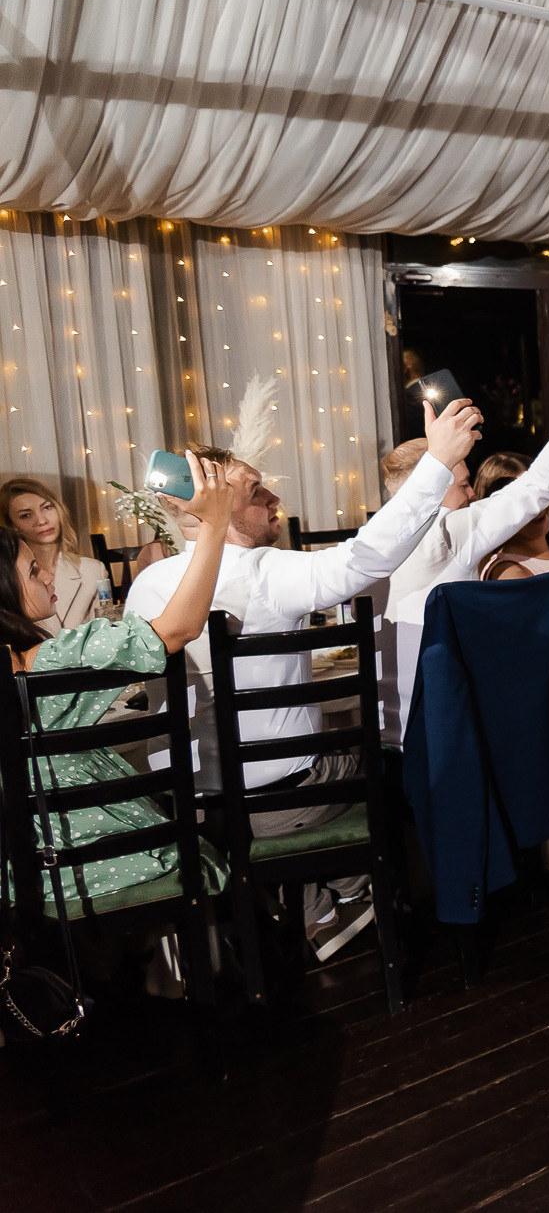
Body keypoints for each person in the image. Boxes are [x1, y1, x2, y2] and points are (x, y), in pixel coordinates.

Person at [124, 398, 484, 946]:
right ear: (212, 510)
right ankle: (365, 889)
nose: (274, 500)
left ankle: (319, 908)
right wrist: (435, 463)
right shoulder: (266, 571)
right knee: (396, 758)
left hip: (192, 803)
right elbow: (367, 557)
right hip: (282, 799)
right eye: (256, 492)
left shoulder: (145, 585)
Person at [375, 350, 549, 746]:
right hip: (444, 737)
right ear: (431, 487)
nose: (472, 495)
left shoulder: (373, 540)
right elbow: (541, 483)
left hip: (390, 734)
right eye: (463, 484)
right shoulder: (445, 533)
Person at [2, 454, 232, 907]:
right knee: (206, 846)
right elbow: (179, 628)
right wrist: (215, 528)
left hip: (21, 872)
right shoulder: (53, 659)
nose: (46, 574)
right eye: (32, 571)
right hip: (95, 858)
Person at [2, 476, 111, 635]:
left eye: (46, 508)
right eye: (26, 515)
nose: (41, 521)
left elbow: (103, 631)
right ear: (13, 525)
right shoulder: (10, 578)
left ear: (59, 509)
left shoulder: (92, 570)